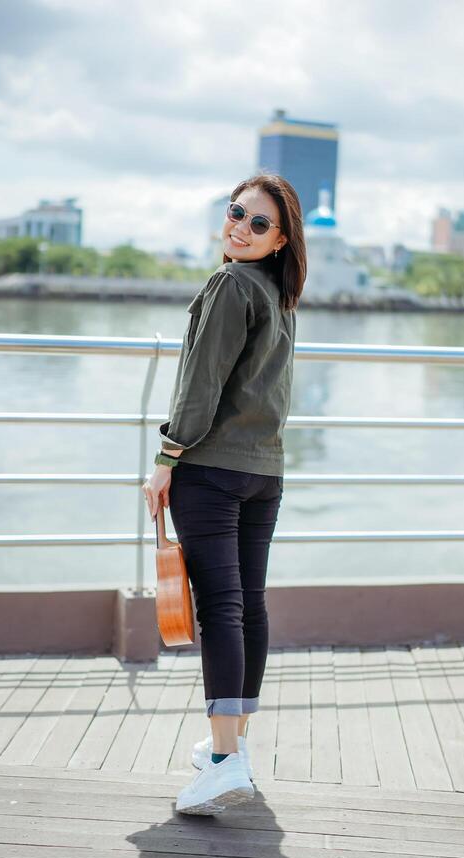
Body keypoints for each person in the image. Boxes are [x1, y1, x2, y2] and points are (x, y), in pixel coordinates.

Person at [142, 172, 306, 815]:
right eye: (236, 213)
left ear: (280, 238)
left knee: (221, 610)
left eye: (257, 222)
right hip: (264, 472)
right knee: (247, 607)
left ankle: (226, 758)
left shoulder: (230, 283)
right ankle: (228, 749)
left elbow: (200, 388)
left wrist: (165, 458)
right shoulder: (277, 294)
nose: (240, 226)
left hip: (211, 471)